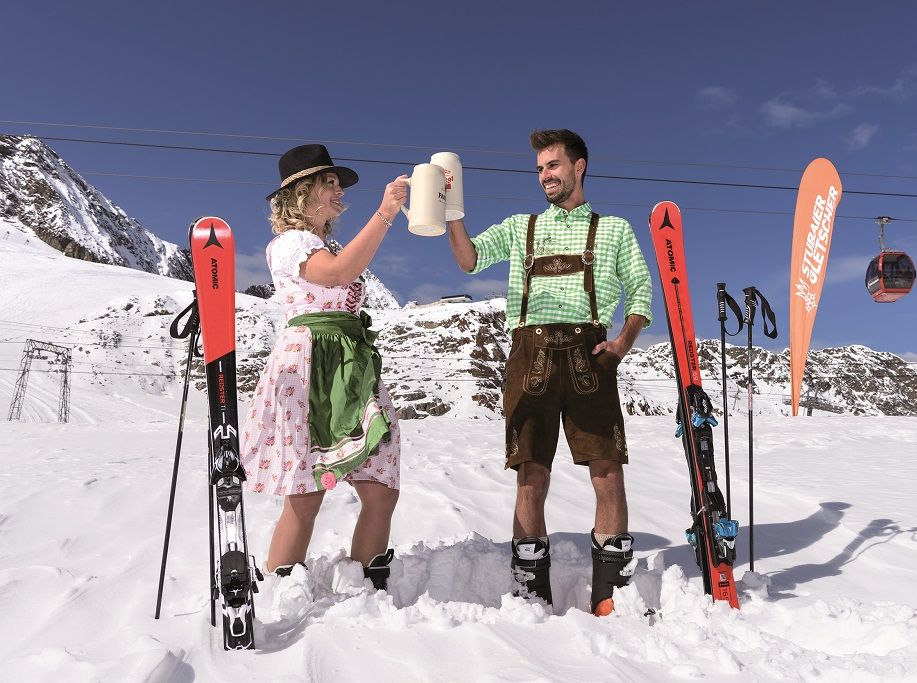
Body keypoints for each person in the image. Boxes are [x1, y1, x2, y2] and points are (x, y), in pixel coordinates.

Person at [446, 129, 653, 615]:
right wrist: (452, 211)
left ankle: (610, 593)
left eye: (553, 166)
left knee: (606, 471)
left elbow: (641, 290)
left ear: (579, 167)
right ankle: (530, 593)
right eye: (540, 169)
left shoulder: (615, 229)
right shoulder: (522, 226)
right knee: (529, 474)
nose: (545, 176)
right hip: (530, 355)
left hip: (590, 357)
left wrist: (622, 343)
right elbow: (470, 259)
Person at [241, 144, 407, 590]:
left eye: (337, 183)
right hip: (312, 363)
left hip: (349, 362)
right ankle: (282, 590)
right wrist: (386, 213)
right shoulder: (291, 243)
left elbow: (339, 269)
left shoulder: (323, 242)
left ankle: (367, 584)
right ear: (301, 193)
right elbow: (334, 274)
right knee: (306, 493)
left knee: (381, 485)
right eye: (328, 182)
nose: (338, 191)